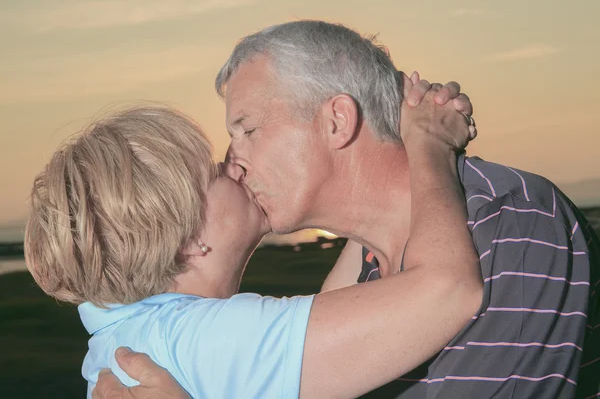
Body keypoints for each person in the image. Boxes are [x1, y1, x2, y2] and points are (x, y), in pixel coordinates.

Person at [98, 20, 600, 398]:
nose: (234, 159)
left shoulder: (505, 220)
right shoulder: (365, 272)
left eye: (248, 129)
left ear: (338, 120)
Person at [25, 91, 481, 398]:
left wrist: (384, 172)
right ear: (188, 242)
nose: (236, 166)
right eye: (212, 173)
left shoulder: (125, 337)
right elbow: (450, 291)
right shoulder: (209, 339)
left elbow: (328, 326)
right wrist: (430, 146)